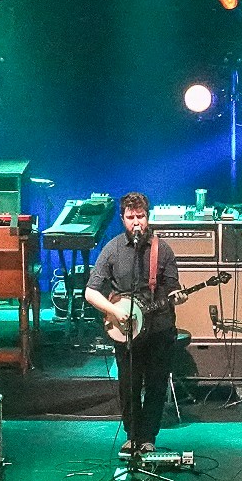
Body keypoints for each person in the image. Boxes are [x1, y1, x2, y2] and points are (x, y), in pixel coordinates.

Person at [84, 192, 181, 458]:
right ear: (122, 218)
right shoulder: (113, 248)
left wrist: (177, 296)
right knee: (128, 385)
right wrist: (113, 309)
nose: (136, 223)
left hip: (159, 327)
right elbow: (91, 292)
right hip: (126, 331)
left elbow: (173, 288)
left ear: (148, 217)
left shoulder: (163, 250)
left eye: (140, 217)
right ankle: (132, 435)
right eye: (130, 218)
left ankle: (148, 437)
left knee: (156, 384)